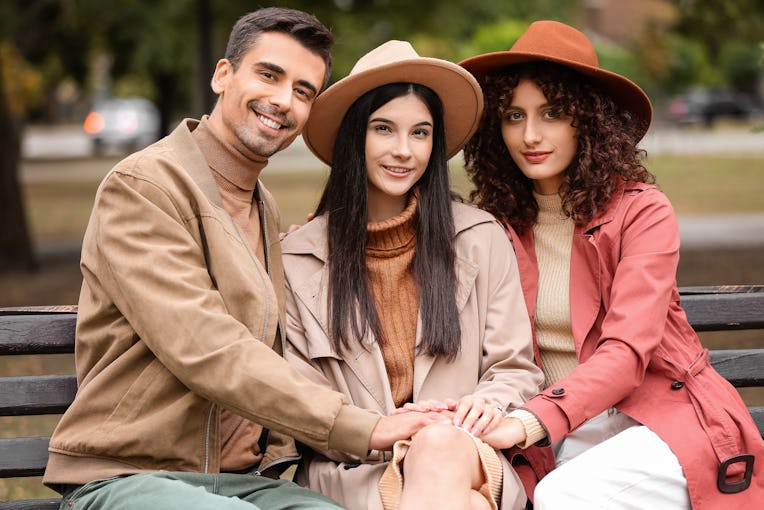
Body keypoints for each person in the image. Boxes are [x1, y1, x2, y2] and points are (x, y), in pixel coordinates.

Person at [42, 8, 446, 510]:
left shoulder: (263, 205)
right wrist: (365, 428)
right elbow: (206, 345)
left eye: (303, 91)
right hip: (128, 475)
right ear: (223, 74)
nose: (283, 101)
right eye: (269, 75)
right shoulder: (143, 188)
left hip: (247, 482)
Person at [450, 19, 764, 509]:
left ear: (587, 120)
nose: (530, 135)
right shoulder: (497, 225)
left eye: (551, 113)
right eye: (513, 116)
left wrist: (530, 421)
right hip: (555, 433)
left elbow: (625, 352)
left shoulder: (642, 211)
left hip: (659, 420)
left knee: (563, 495)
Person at [280, 40, 544, 510]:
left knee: (440, 447)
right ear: (353, 137)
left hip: (468, 451)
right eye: (384, 129)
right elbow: (302, 406)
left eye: (420, 133)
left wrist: (488, 405)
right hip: (355, 473)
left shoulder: (480, 238)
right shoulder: (297, 260)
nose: (404, 151)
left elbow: (514, 368)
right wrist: (393, 436)